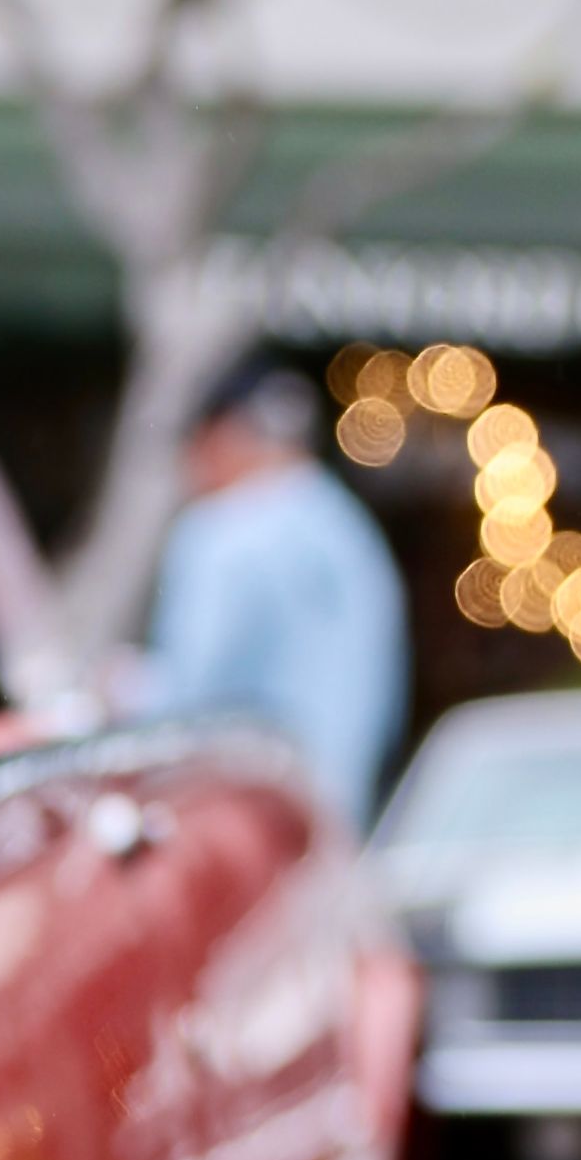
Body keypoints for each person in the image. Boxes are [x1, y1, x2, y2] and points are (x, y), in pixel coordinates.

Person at [144, 354, 409, 828]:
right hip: (339, 809)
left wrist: (124, 695)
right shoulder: (349, 528)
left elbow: (190, 692)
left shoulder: (222, 529)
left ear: (224, 436)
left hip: (243, 818)